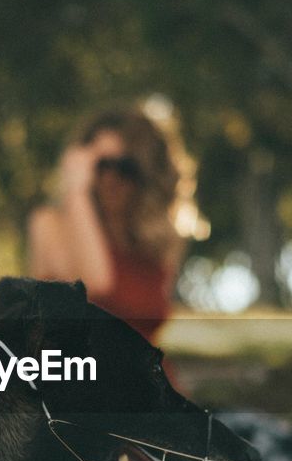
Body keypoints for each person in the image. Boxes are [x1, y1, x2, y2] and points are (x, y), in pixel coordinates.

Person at [28, 107, 185, 342]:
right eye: (101, 165)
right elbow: (95, 283)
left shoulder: (154, 243)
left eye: (125, 167)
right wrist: (77, 192)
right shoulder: (50, 224)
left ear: (145, 174)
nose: (110, 178)